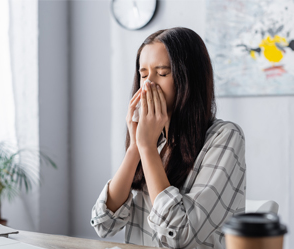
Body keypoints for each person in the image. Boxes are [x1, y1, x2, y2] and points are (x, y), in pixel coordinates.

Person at [90, 27, 246, 249]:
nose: (148, 84)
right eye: (143, 74)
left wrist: (147, 149)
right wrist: (135, 147)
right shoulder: (152, 140)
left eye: (162, 73)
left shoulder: (225, 137)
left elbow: (179, 235)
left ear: (189, 79)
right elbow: (104, 224)